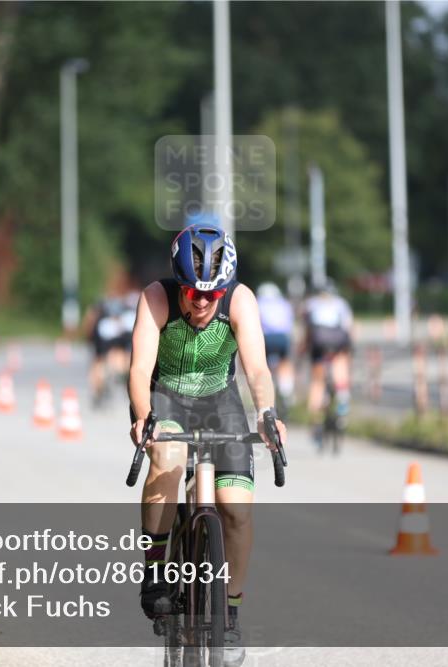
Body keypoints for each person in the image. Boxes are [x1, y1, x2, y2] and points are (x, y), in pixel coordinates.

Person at [128, 220, 287, 666]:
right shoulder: (156, 297)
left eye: (211, 294)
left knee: (236, 508)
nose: (201, 302)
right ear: (178, 283)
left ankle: (229, 615)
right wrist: (143, 416)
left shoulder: (240, 300)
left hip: (220, 402)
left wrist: (267, 413)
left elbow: (257, 369)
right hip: (165, 399)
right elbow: (139, 369)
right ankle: (157, 570)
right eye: (192, 292)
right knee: (169, 457)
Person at [302, 280, 353, 448]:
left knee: (317, 382)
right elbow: (348, 328)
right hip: (338, 341)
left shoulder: (311, 304)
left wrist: (303, 349)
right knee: (341, 366)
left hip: (318, 342)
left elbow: (307, 331)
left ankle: (315, 420)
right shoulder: (341, 304)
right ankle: (342, 399)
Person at [256, 282, 295, 412]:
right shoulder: (284, 303)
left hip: (266, 338)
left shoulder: (258, 303)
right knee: (285, 364)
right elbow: (289, 325)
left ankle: (268, 398)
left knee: (264, 367)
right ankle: (285, 390)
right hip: (282, 337)